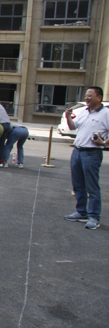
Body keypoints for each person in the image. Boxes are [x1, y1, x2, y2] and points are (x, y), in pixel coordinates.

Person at [63, 87, 109, 230]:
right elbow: (73, 127)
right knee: (78, 185)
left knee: (92, 187)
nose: (86, 98)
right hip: (77, 151)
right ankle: (81, 212)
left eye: (90, 95)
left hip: (92, 153)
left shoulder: (106, 113)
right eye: (86, 96)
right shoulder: (84, 111)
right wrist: (68, 116)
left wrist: (104, 142)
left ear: (99, 98)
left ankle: (94, 217)